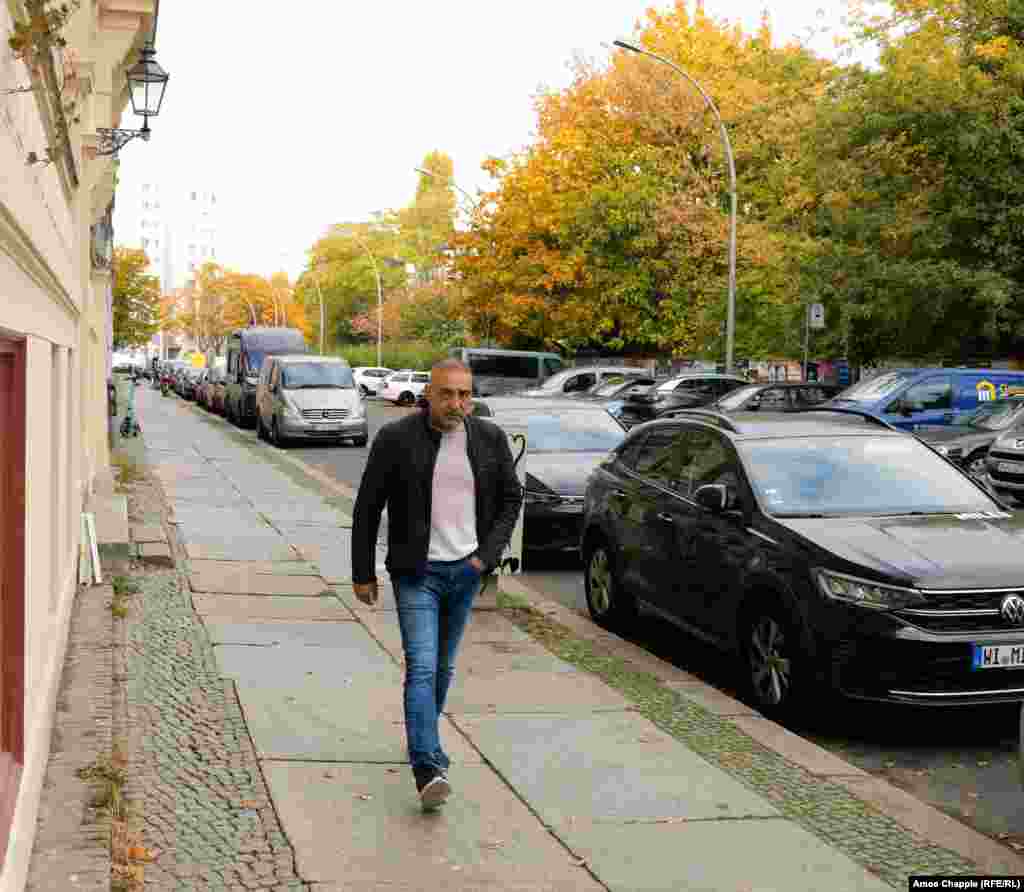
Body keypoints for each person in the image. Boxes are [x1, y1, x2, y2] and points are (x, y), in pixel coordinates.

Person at [351, 359, 523, 810]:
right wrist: (362, 572)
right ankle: (427, 764)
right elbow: (368, 507)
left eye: (464, 395)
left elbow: (511, 498)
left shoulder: (489, 438)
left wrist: (486, 558)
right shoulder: (395, 439)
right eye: (447, 394)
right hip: (417, 573)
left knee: (444, 669)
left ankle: (423, 733)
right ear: (428, 394)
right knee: (423, 666)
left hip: (465, 573)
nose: (456, 403)